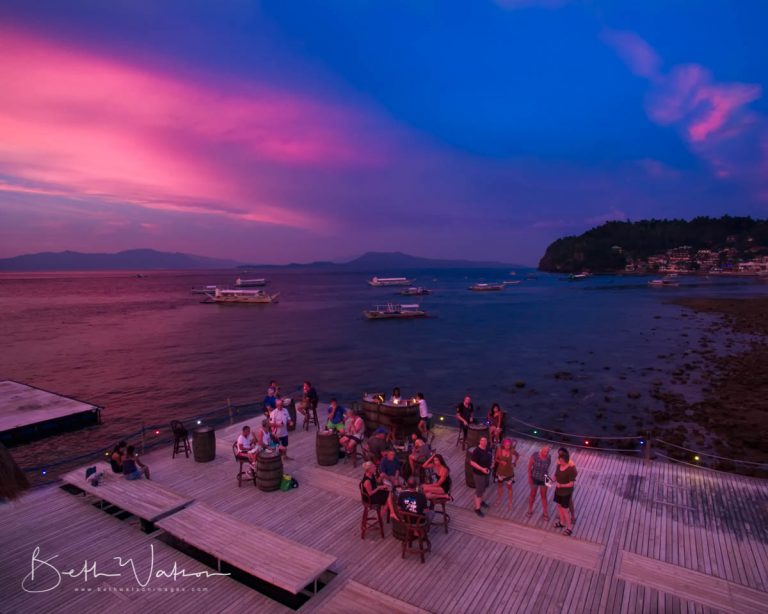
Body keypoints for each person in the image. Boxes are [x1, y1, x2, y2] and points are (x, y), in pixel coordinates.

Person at [553, 447, 577, 535]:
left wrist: (561, 485)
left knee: (565, 510)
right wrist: (551, 480)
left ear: (566, 461)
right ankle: (562, 523)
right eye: (559, 460)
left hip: (565, 493)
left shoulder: (570, 469)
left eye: (561, 461)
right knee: (559, 506)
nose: (559, 462)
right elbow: (556, 475)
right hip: (558, 491)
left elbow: (571, 484)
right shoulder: (559, 465)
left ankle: (569, 528)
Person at [469, 436, 493, 517]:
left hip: (487, 473)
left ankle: (481, 502)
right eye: (482, 440)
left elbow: (491, 457)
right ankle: (477, 508)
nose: (484, 442)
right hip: (479, 474)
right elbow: (472, 462)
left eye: (485, 440)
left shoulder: (489, 449)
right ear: (479, 441)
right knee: (479, 491)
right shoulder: (476, 451)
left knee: (483, 488)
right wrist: (482, 469)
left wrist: (491, 465)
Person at [527, 445, 552, 520]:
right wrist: (529, 477)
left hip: (545, 478)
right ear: (541, 450)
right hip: (534, 477)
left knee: (544, 496)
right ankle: (530, 510)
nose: (546, 453)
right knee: (532, 495)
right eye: (545, 451)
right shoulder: (534, 456)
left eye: (547, 452)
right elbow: (529, 467)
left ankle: (545, 512)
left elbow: (547, 467)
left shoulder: (549, 457)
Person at [494, 438, 520, 509]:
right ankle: (499, 499)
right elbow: (496, 458)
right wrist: (500, 462)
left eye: (509, 445)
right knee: (500, 486)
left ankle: (510, 502)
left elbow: (517, 455)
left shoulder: (512, 451)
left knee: (509, 488)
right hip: (500, 472)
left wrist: (514, 463)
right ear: (503, 445)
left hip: (509, 473)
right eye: (506, 445)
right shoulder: (499, 450)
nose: (507, 446)